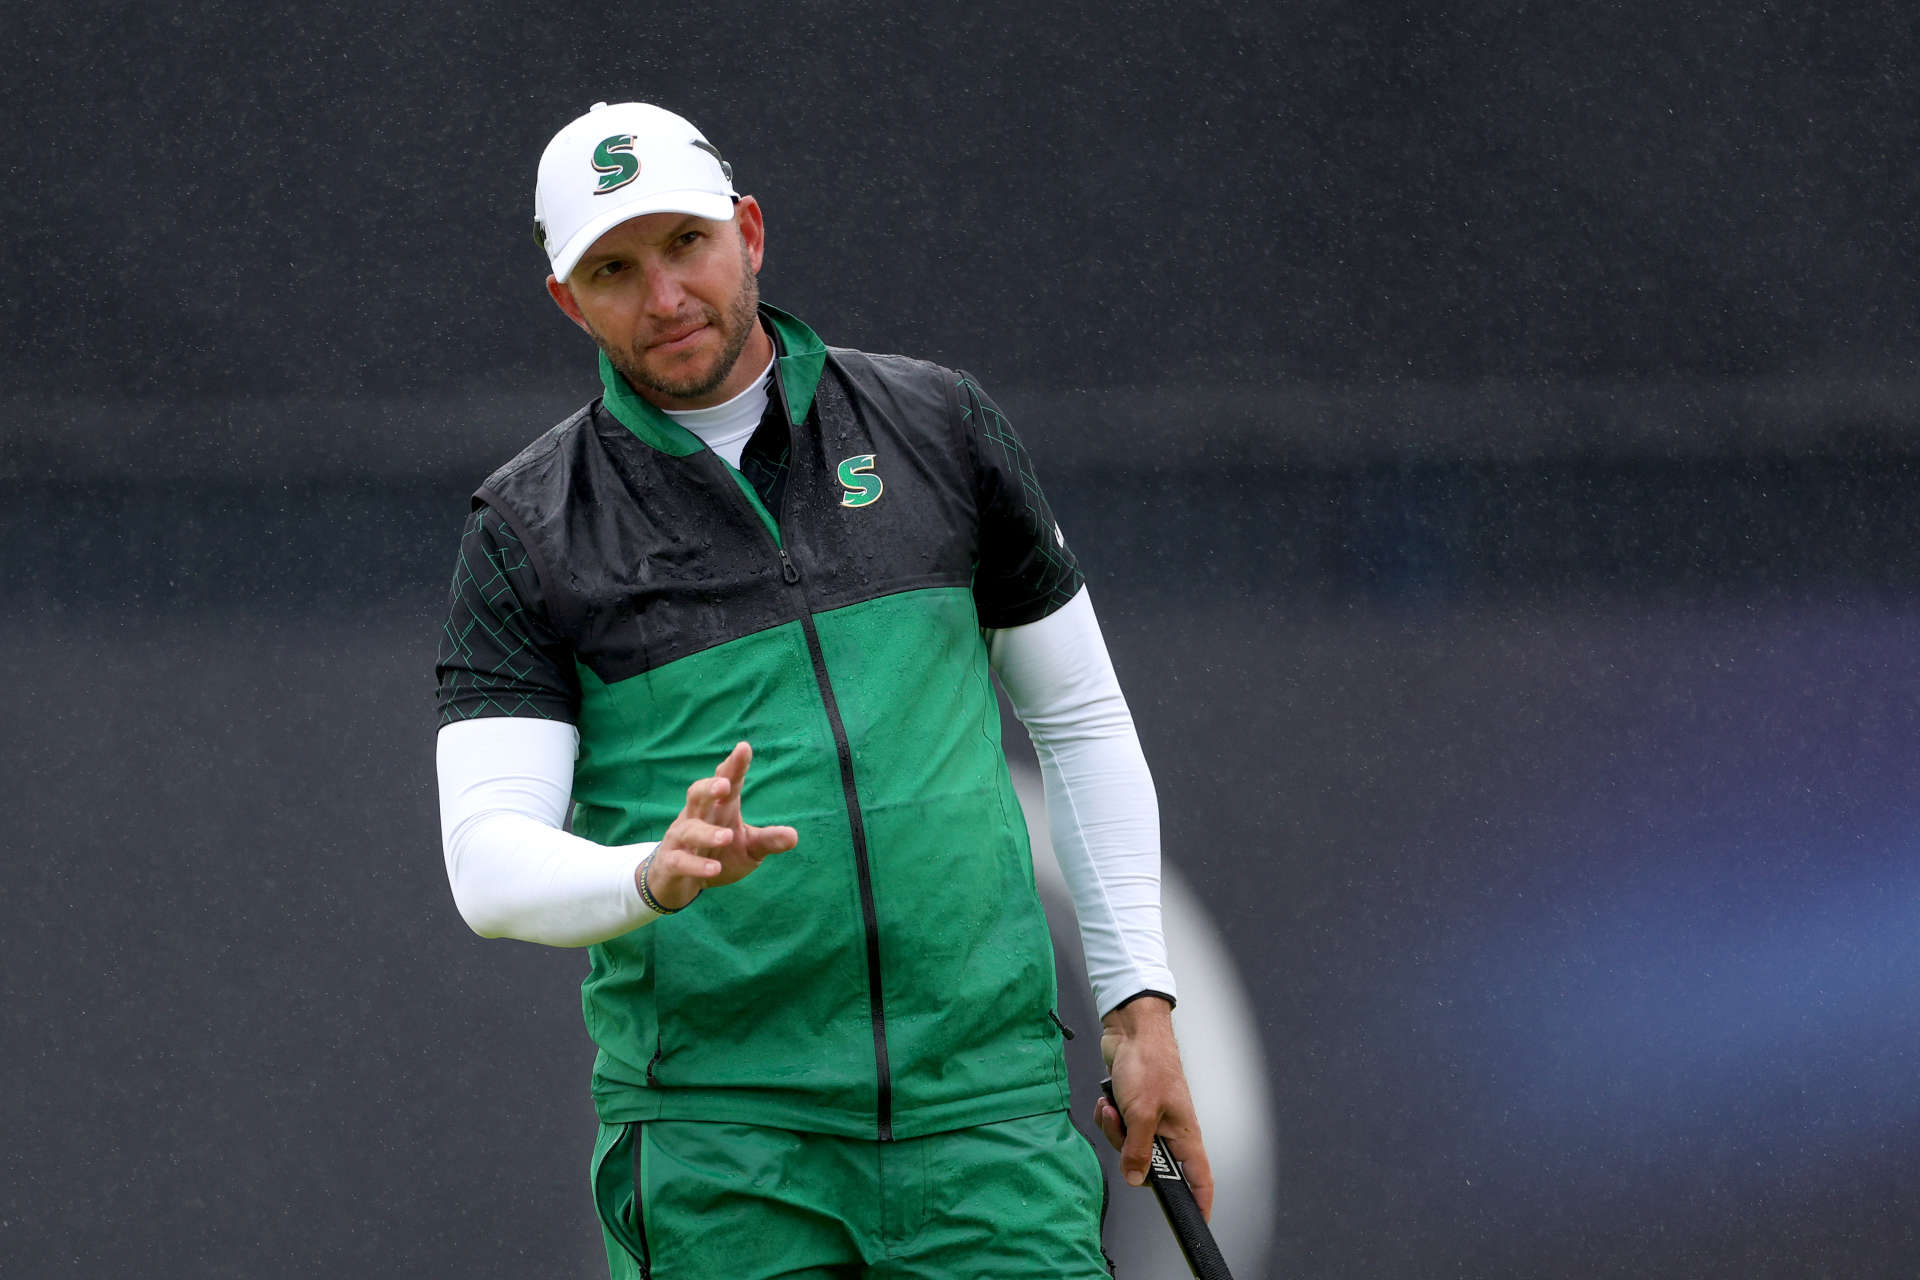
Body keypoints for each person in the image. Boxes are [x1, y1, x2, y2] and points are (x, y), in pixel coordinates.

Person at [434, 100, 1211, 1279]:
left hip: (985, 1124)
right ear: (567, 300)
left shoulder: (939, 425)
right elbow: (488, 860)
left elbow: (1080, 719)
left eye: (685, 243)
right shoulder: (528, 526)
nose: (664, 295)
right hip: (722, 1151)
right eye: (614, 268)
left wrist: (1139, 1004)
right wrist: (647, 874)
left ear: (748, 230)